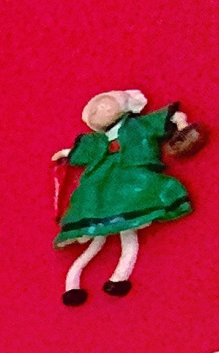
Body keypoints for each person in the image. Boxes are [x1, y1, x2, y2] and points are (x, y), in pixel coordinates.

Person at [53, 89, 198, 304]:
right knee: (97, 236)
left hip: (131, 178)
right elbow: (80, 151)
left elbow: (163, 120)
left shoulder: (138, 125)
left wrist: (180, 123)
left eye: (106, 104)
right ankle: (73, 283)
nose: (100, 110)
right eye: (96, 109)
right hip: (100, 184)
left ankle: (119, 277)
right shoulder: (96, 140)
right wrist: (66, 153)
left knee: (125, 230)